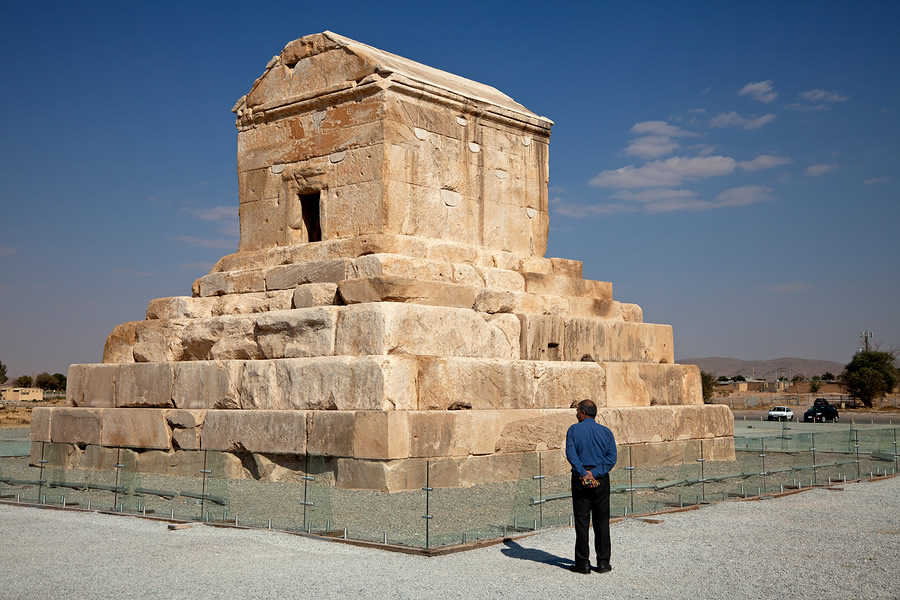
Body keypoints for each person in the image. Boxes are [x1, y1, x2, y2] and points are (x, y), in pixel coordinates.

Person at [564, 399, 617, 575]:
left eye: (577, 410)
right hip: (600, 480)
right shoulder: (606, 432)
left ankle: (583, 563)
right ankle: (603, 563)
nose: (576, 414)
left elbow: (571, 454)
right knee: (602, 522)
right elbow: (611, 458)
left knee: (581, 521)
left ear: (583, 412)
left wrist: (583, 472)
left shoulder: (573, 430)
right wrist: (595, 473)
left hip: (580, 479)